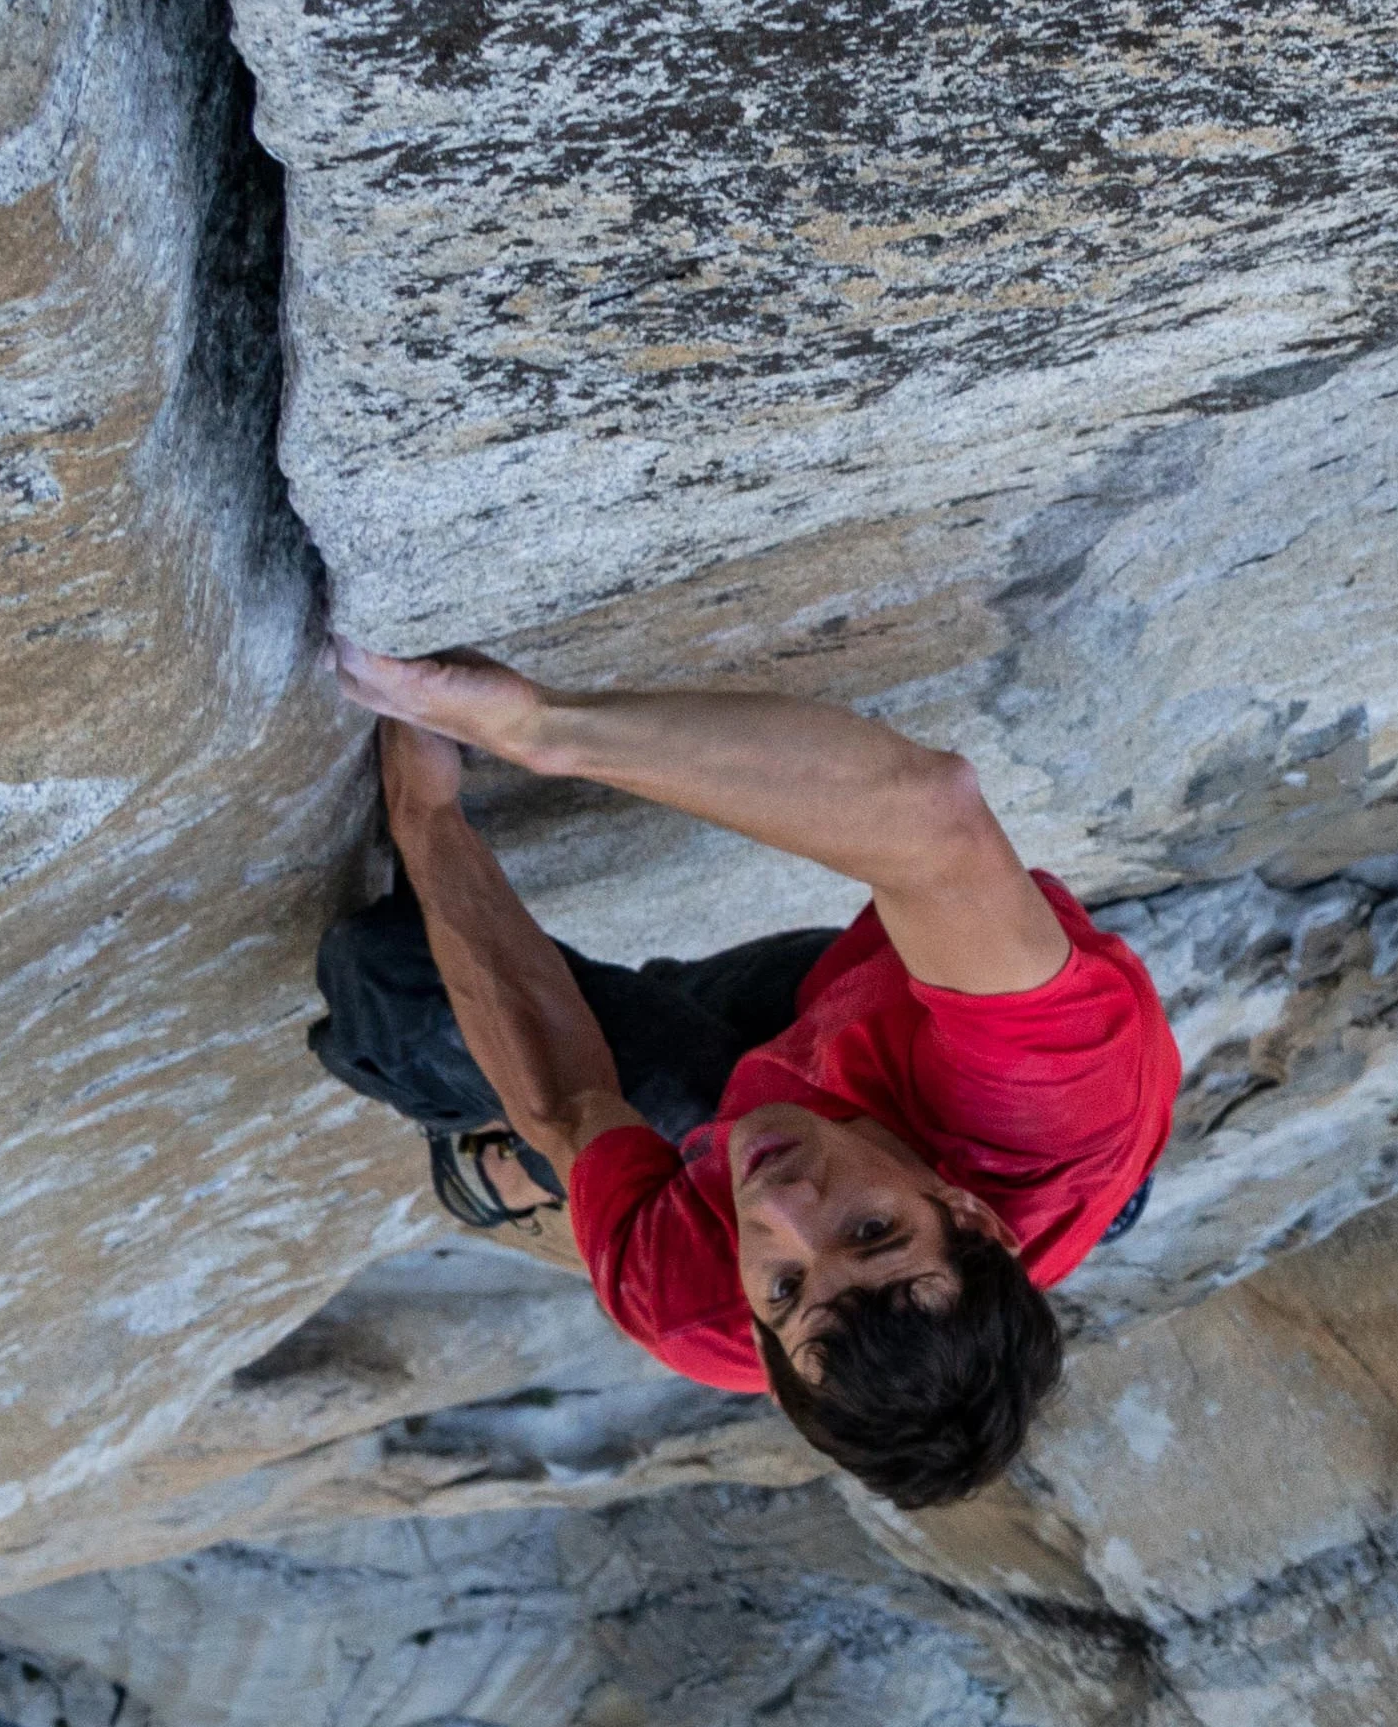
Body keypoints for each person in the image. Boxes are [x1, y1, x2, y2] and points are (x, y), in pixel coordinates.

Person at [305, 643, 1177, 1508]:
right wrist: (538, 727)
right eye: (873, 1230)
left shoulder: (697, 1305)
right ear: (967, 1211)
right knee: (699, 1029)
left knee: (388, 982)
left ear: (760, 1339)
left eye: (789, 1287)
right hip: (897, 1057)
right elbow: (931, 822)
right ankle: (1093, 1202)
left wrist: (427, 814)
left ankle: (505, 1174)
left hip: (844, 1085)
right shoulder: (1045, 1103)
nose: (782, 1204)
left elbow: (567, 1104)